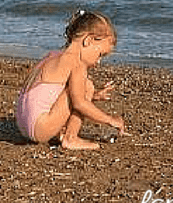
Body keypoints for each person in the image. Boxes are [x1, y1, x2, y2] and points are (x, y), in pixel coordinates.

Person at [16, 10, 125, 150]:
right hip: (40, 128)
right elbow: (79, 103)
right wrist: (111, 120)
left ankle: (60, 133)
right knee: (87, 86)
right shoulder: (76, 63)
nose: (98, 62)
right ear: (88, 40)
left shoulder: (52, 56)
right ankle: (70, 138)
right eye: (100, 54)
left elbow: (48, 93)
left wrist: (95, 96)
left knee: (86, 89)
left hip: (23, 125)